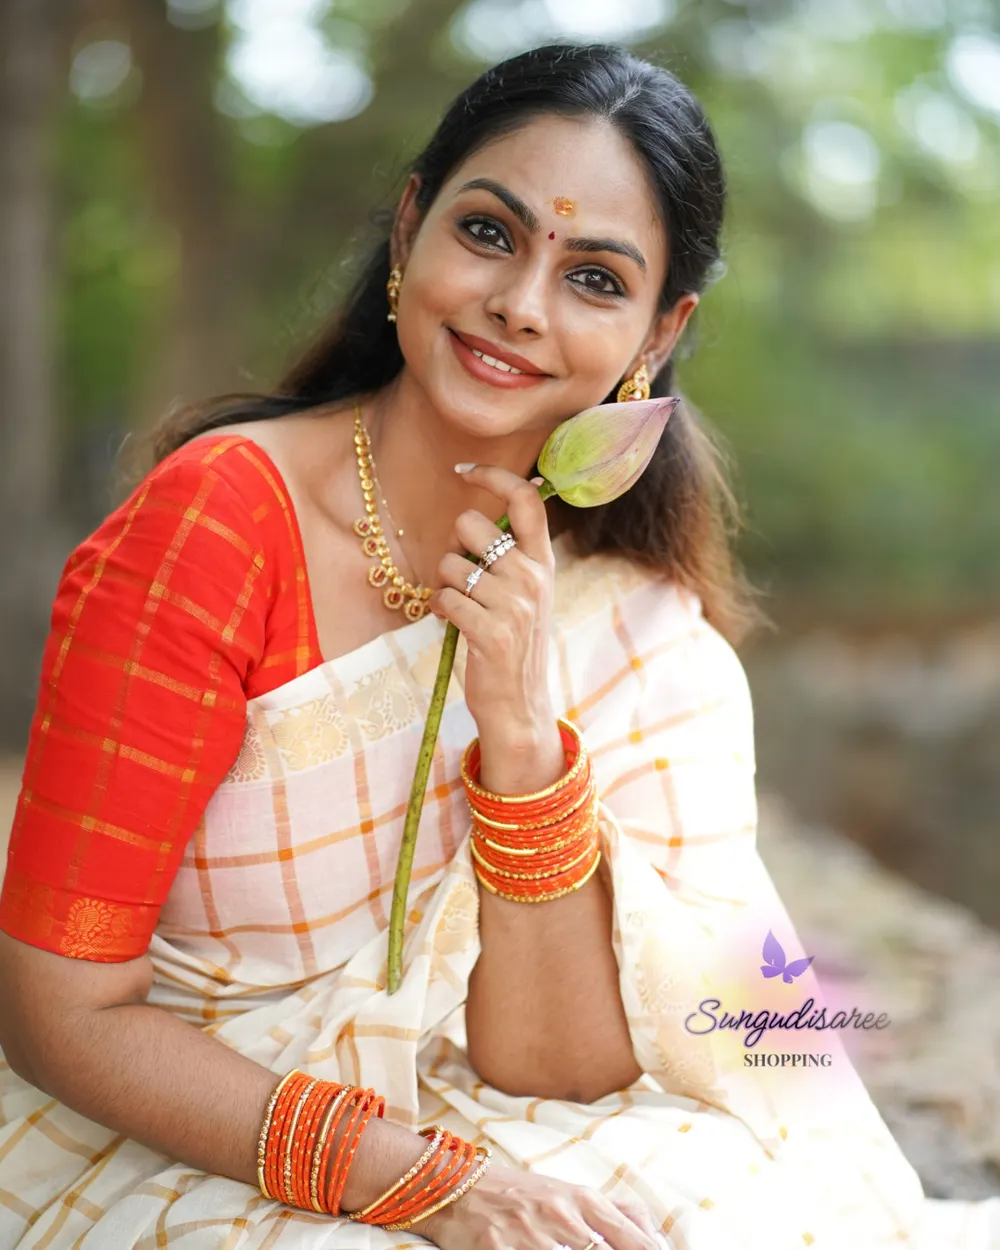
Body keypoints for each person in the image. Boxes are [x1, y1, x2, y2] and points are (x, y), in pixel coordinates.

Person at [0, 40, 997, 1250]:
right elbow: (58, 1010)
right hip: (178, 1124)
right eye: (489, 233)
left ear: (659, 328)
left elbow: (554, 1065)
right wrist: (422, 1182)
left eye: (593, 277)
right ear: (412, 224)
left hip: (479, 1110)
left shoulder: (628, 625)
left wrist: (521, 729)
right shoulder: (217, 523)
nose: (521, 302)